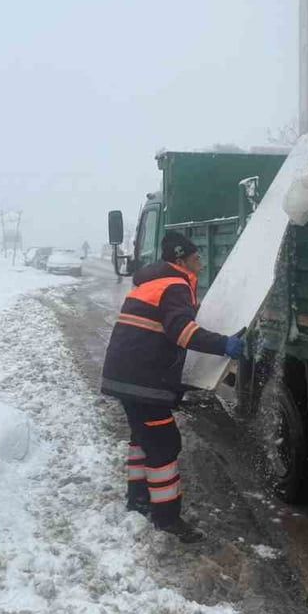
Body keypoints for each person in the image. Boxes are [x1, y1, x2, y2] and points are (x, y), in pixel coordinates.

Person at [100, 231, 245, 543]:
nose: (201, 264)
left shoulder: (154, 282)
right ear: (180, 260)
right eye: (196, 259)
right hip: (143, 381)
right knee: (165, 443)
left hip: (128, 376)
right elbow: (181, 332)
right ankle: (167, 519)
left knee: (143, 438)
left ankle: (138, 501)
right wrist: (224, 345)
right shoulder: (176, 285)